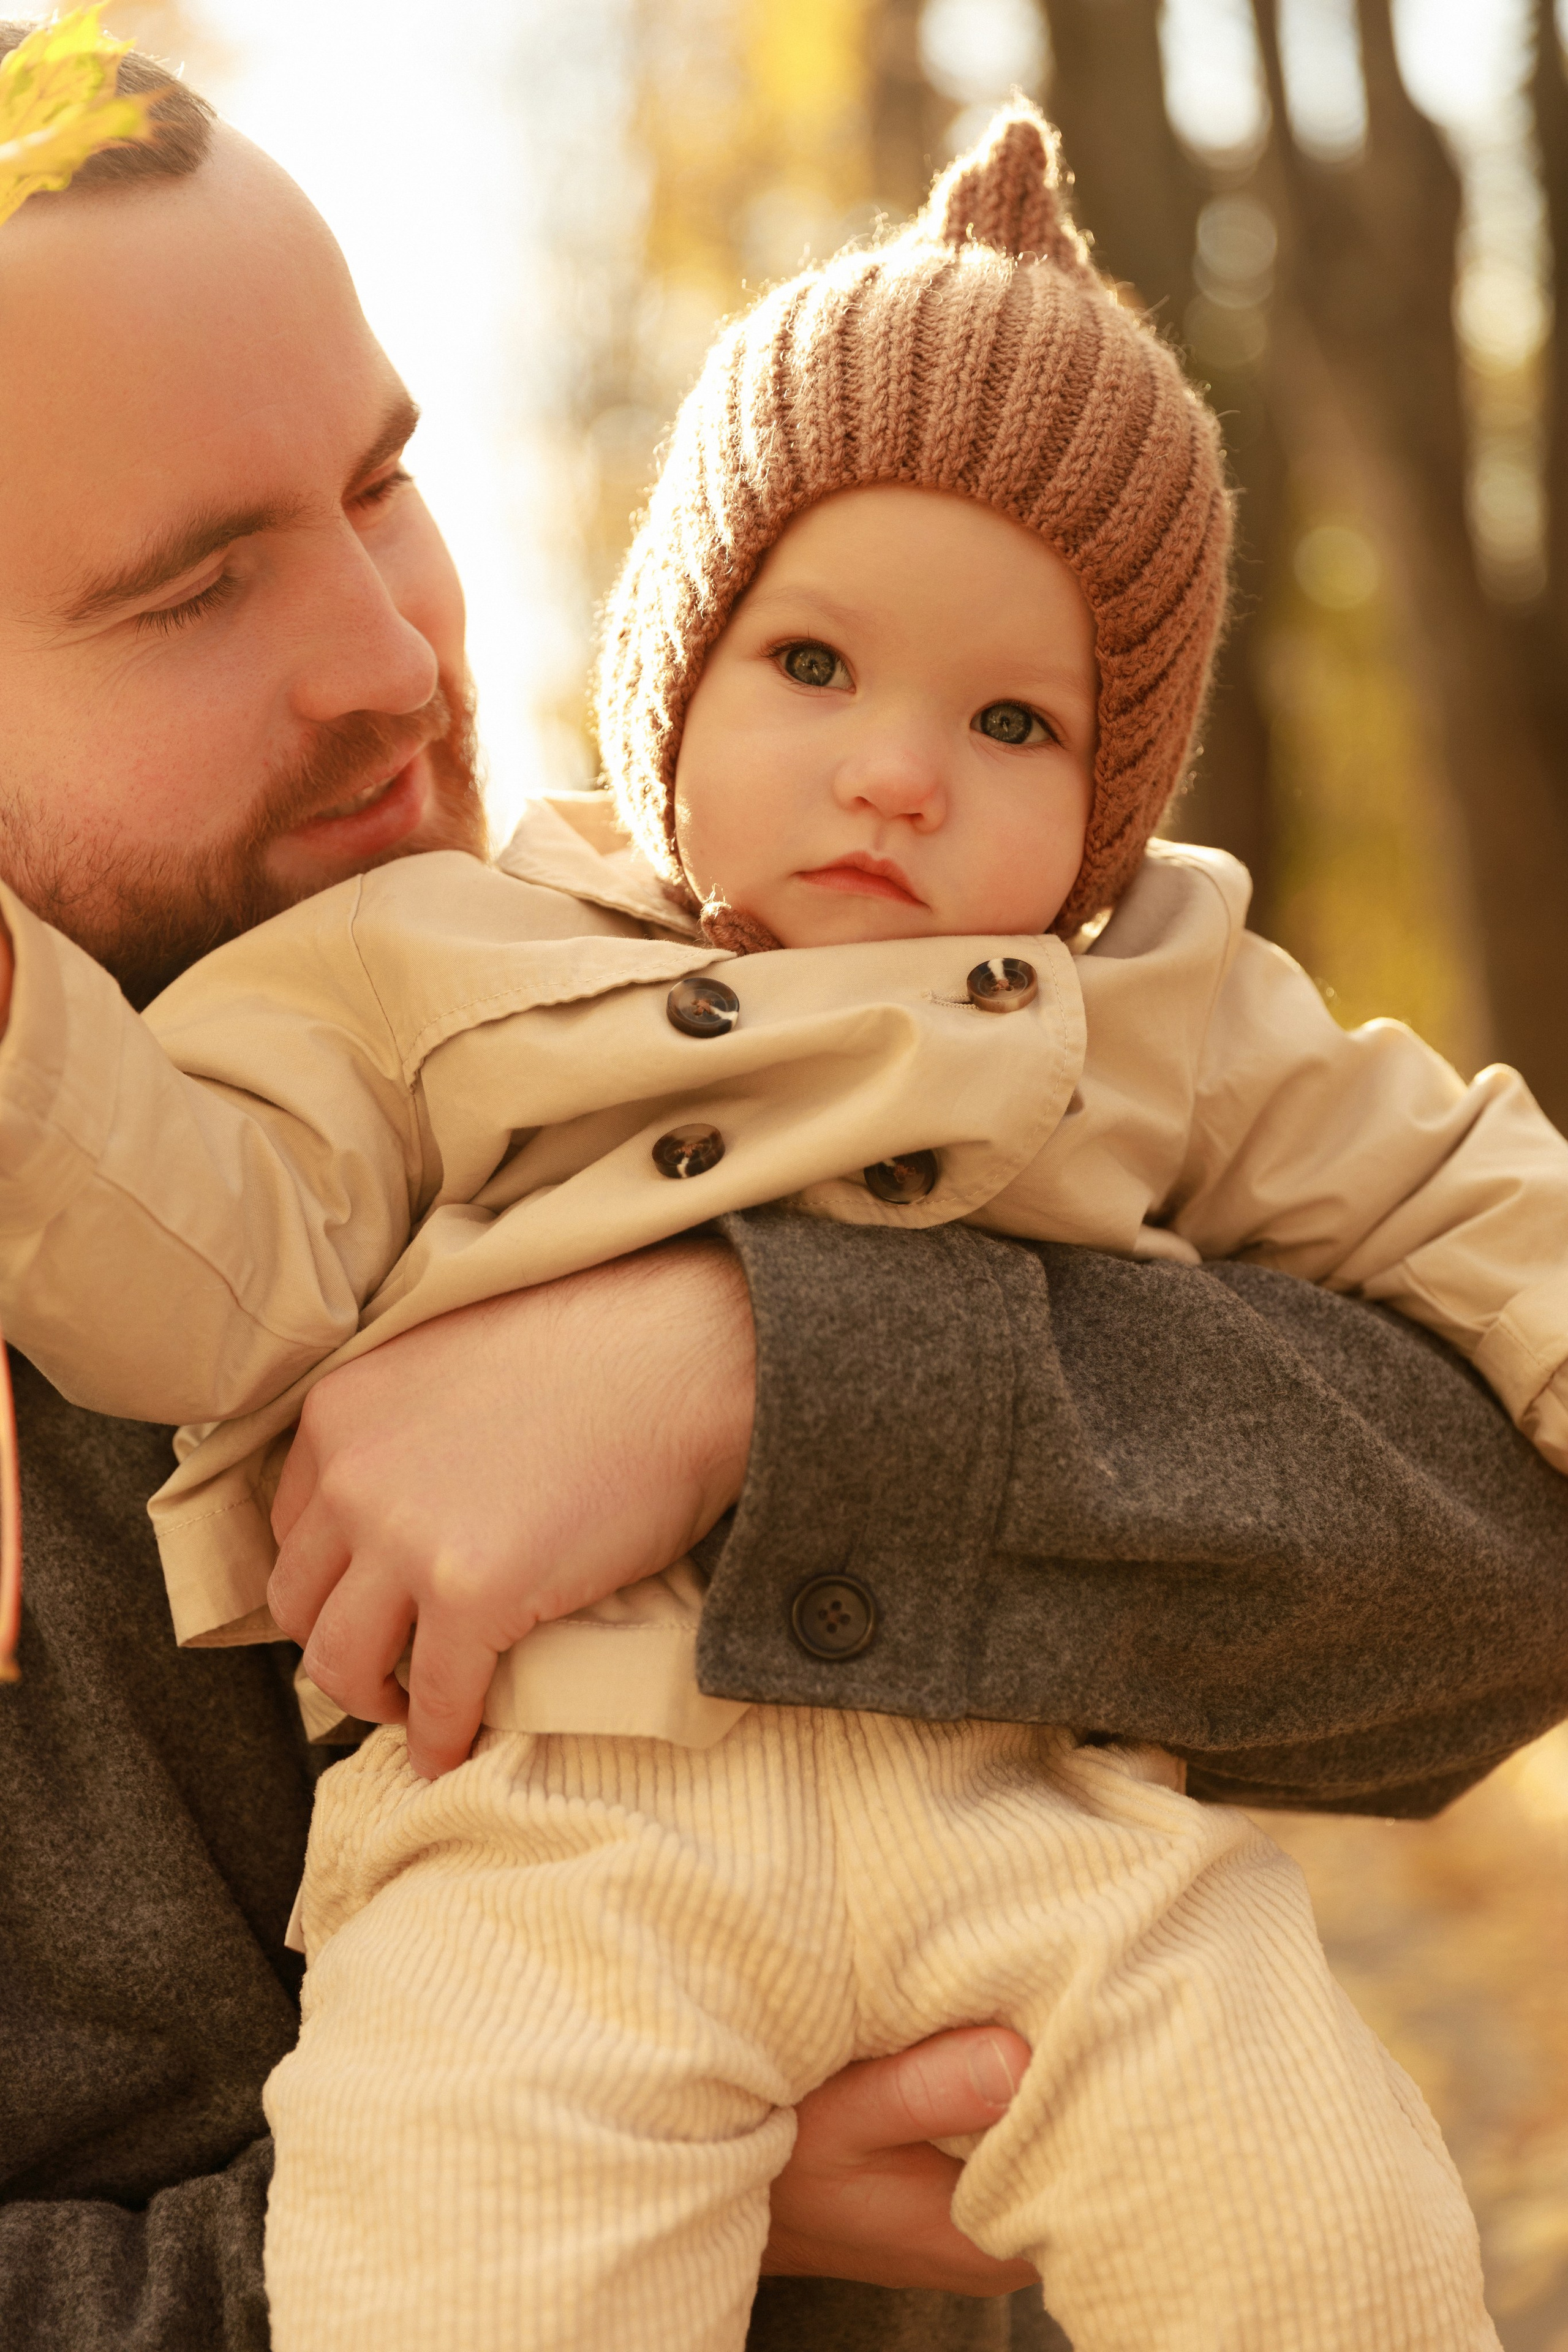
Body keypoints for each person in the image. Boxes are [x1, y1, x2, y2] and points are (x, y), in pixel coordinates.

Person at [2, 28, 1567, 2352]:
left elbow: (1483, 1571)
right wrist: (654, 2184)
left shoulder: (653, 949)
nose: (386, 651)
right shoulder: (293, 1079)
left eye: (385, 480)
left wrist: (758, 1363)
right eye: (184, 592)